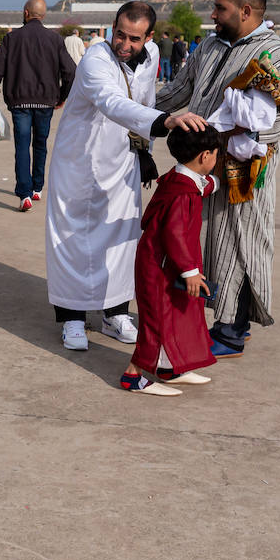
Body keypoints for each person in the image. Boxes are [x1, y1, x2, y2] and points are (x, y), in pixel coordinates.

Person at [155, 0, 280, 358]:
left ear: (246, 11)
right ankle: (205, 320)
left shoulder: (276, 56)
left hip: (246, 174)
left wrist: (251, 130)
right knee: (203, 244)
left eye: (221, 8)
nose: (213, 15)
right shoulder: (209, 46)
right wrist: (137, 113)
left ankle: (231, 332)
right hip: (203, 168)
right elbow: (179, 91)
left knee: (241, 247)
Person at [44, 1, 206, 351]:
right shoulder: (95, 60)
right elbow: (111, 101)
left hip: (122, 162)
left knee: (123, 238)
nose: (125, 44)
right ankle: (72, 318)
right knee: (72, 240)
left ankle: (115, 313)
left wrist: (144, 150)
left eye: (134, 38)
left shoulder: (150, 57)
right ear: (112, 28)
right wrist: (164, 121)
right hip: (79, 163)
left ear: (148, 36)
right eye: (120, 35)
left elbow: (144, 99)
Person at [120, 123, 221, 395]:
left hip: (166, 265)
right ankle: (134, 375)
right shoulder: (182, 194)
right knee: (156, 320)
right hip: (161, 267)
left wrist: (214, 181)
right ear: (204, 157)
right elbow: (174, 233)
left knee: (174, 315)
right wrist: (190, 271)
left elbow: (202, 185)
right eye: (215, 155)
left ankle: (168, 367)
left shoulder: (180, 181)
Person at [0, 0, 76, 211]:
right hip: (46, 102)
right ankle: (37, 188)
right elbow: (71, 72)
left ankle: (24, 194)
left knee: (22, 146)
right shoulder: (54, 39)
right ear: (43, 15)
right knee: (41, 144)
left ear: (26, 13)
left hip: (20, 102)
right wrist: (61, 96)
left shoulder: (12, 38)